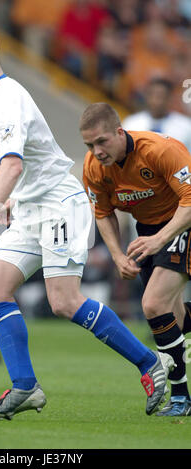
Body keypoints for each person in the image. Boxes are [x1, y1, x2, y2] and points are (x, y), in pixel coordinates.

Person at [0, 19, 174, 420]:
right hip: (31, 207)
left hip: (58, 205)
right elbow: (19, 168)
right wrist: (10, 206)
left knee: (64, 301)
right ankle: (25, 386)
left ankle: (148, 362)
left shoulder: (7, 98)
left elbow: (13, 164)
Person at [81, 102, 191, 416]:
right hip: (148, 232)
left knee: (153, 305)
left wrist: (160, 238)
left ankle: (181, 398)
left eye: (102, 141)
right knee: (173, 320)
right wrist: (117, 255)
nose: (97, 151)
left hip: (183, 222)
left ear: (119, 132)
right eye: (89, 145)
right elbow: (102, 213)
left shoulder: (160, 150)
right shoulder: (94, 167)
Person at [122, 77, 191, 152]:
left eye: (161, 96)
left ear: (170, 98)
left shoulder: (186, 126)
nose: (156, 101)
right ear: (146, 96)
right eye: (152, 95)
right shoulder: (131, 124)